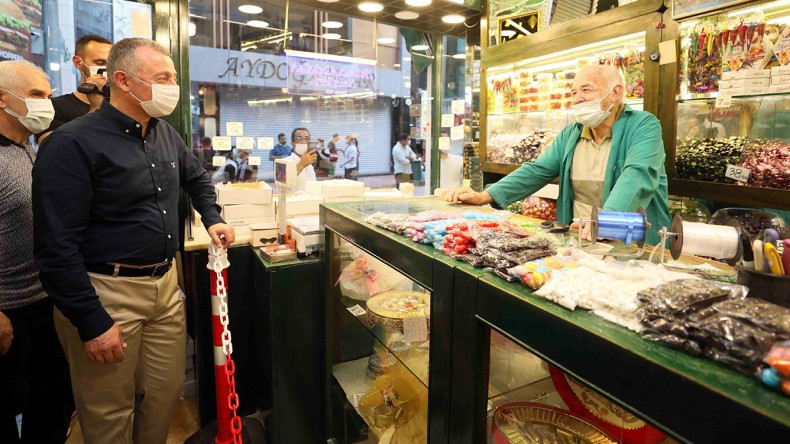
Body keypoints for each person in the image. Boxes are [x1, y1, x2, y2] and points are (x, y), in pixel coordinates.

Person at [32, 38, 235, 444]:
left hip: (165, 285)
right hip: (107, 290)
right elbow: (56, 246)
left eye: (173, 78)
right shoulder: (72, 143)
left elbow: (196, 178)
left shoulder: (164, 134)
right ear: (123, 80)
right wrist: (91, 320)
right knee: (109, 410)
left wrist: (212, 217)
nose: (173, 87)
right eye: (163, 78)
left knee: (163, 396)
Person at [447, 65, 670, 245]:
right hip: (582, 240)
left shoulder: (644, 125)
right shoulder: (571, 133)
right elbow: (537, 170)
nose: (577, 99)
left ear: (615, 92)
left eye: (586, 90)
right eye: (573, 93)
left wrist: (605, 221)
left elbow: (637, 175)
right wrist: (485, 196)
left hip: (634, 245)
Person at [0, 60, 73, 444]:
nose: (47, 104)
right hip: (8, 314)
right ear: (2, 99)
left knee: (52, 411)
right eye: (35, 95)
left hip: (46, 303)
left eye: (48, 95)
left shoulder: (27, 147)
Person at [36, 34, 113, 144]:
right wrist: (96, 109)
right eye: (100, 63)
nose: (107, 68)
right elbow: (52, 146)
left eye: (112, 64)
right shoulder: (56, 107)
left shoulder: (120, 106)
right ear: (78, 63)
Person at [284, 127, 317, 191]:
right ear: (292, 143)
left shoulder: (310, 165)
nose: (303, 142)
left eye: (306, 139)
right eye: (299, 138)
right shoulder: (285, 162)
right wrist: (301, 164)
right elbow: (282, 184)